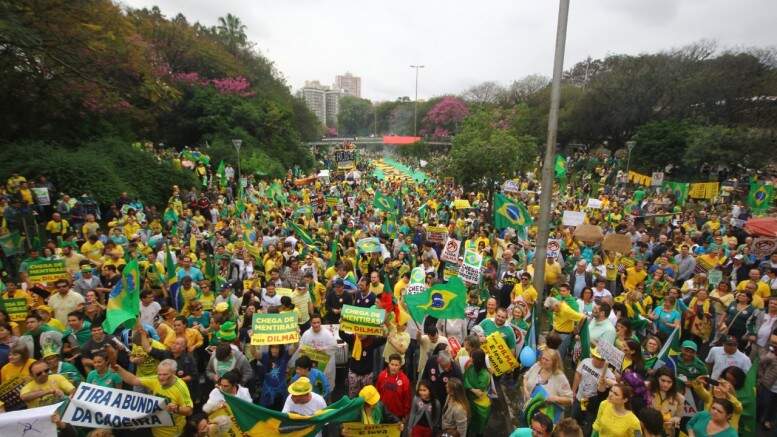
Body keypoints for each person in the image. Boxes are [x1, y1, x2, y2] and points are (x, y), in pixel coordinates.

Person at [113, 359, 194, 437]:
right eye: (159, 374)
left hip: (172, 433)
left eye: (165, 374)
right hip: (155, 429)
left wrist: (176, 409)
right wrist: (119, 369)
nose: (161, 377)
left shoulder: (180, 387)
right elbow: (134, 380)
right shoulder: (156, 379)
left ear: (173, 373)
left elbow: (189, 411)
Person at [571, 347, 616, 435]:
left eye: (602, 359)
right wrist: (573, 391)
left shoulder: (609, 375)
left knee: (588, 426)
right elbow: (578, 375)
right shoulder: (585, 362)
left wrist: (605, 382)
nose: (599, 361)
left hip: (592, 404)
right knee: (573, 420)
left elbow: (606, 391)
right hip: (579, 397)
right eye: (597, 358)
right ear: (593, 356)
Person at [523, 348, 573, 423]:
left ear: (554, 362)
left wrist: (555, 398)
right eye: (543, 358)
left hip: (546, 417)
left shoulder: (560, 377)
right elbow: (525, 377)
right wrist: (526, 390)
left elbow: (570, 400)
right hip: (530, 408)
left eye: (547, 360)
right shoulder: (537, 366)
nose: (543, 361)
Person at [648, 366, 685, 436]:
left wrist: (674, 420)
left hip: (667, 432)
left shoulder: (679, 398)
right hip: (649, 432)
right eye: (663, 380)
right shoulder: (648, 391)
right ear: (657, 379)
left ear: (673, 383)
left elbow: (678, 418)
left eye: (669, 382)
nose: (665, 385)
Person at [375, 353, 412, 421]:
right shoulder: (381, 375)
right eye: (392, 364)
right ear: (388, 364)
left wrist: (405, 414)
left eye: (396, 365)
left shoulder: (405, 380)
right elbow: (376, 393)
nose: (394, 367)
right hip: (382, 413)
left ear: (400, 366)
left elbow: (407, 400)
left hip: (397, 416)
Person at [463, 349, 491, 436]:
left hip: (479, 405)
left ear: (477, 360)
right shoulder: (471, 367)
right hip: (469, 401)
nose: (470, 359)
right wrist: (472, 389)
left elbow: (479, 391)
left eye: (472, 357)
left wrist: (469, 388)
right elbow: (464, 378)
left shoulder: (485, 375)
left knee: (479, 425)